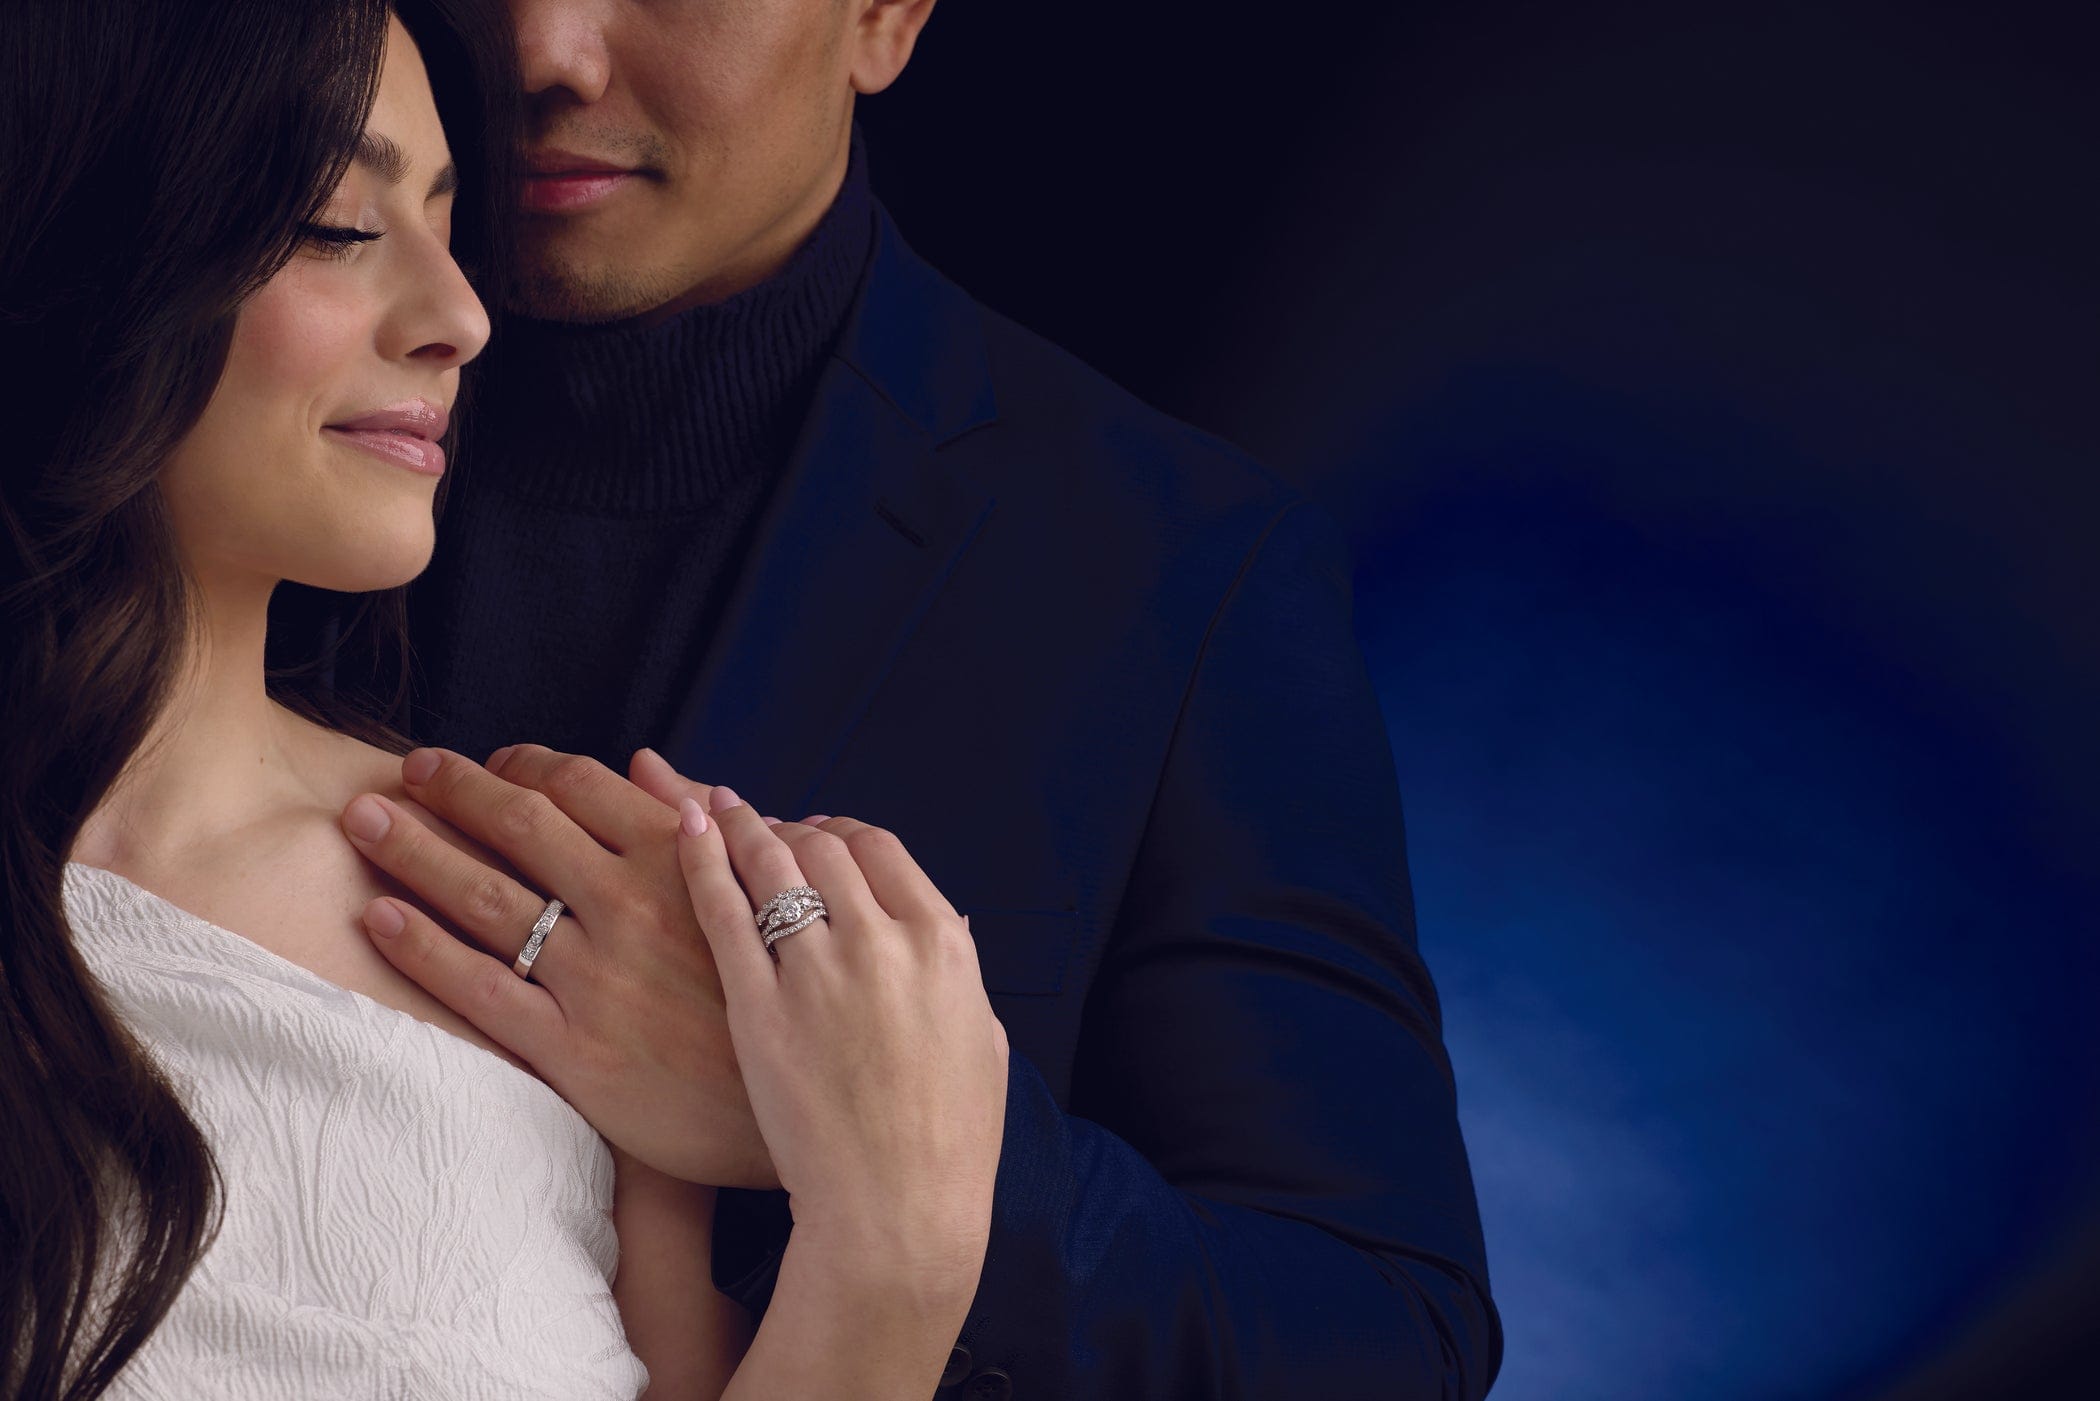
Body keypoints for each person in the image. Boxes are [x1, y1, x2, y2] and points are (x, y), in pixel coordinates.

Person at [342, 1, 1505, 1396]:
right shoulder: (176, 451)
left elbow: (1387, 1336)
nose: (544, 51)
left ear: (885, 17)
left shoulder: (1183, 569)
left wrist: (852, 1123)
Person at [0, 2, 1004, 1397]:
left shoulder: (549, 932)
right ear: (81, 248)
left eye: (448, 224)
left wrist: (898, 1252)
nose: (463, 316)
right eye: (339, 225)